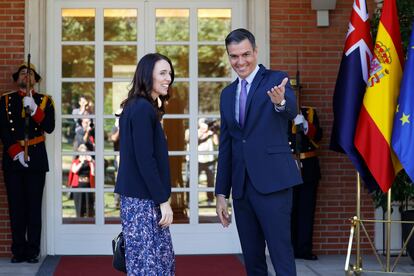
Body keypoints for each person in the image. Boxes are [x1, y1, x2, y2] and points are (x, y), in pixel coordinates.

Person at [214, 28, 302, 276]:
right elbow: (227, 145)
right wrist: (222, 192)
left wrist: (281, 103)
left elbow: (291, 110)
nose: (240, 62)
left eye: (245, 54)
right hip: (242, 189)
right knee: (252, 261)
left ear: (255, 52)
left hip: (274, 184)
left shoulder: (276, 80)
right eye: (234, 56)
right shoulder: (227, 94)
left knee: (281, 255)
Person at [114, 53, 175, 275]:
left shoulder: (140, 106)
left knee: (154, 263)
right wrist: (162, 201)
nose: (168, 78)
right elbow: (144, 159)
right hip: (143, 201)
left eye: (169, 73)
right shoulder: (141, 108)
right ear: (147, 75)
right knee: (149, 266)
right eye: (162, 73)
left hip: (141, 198)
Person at [0, 63, 55, 263]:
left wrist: (34, 110)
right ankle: (18, 250)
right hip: (13, 160)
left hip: (36, 159)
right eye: (23, 73)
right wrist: (16, 152)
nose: (26, 75)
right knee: (16, 207)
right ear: (17, 79)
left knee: (33, 207)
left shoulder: (44, 101)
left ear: (35, 80)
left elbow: (49, 127)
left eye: (30, 73)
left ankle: (32, 251)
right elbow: (3, 130)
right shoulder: (5, 101)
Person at [289, 107, 322, 261]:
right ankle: (289, 249)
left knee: (306, 211)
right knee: (289, 211)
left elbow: (319, 137)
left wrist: (306, 126)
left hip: (308, 168)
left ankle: (304, 249)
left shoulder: (310, 113)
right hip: (288, 167)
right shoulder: (279, 112)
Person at [67, 143, 96, 218]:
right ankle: (79, 221)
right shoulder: (76, 161)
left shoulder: (90, 161)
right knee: (79, 207)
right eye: (82, 152)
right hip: (78, 186)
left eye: (85, 151)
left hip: (88, 186)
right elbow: (74, 170)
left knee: (89, 207)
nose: (84, 154)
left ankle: (89, 223)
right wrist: (81, 162)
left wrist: (92, 161)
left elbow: (93, 173)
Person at [197, 118, 218, 204]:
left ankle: (210, 199)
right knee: (193, 180)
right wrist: (206, 134)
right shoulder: (198, 131)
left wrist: (214, 133)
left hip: (210, 160)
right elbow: (197, 140)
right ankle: (190, 200)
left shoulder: (212, 132)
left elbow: (216, 143)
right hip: (198, 159)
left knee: (210, 181)